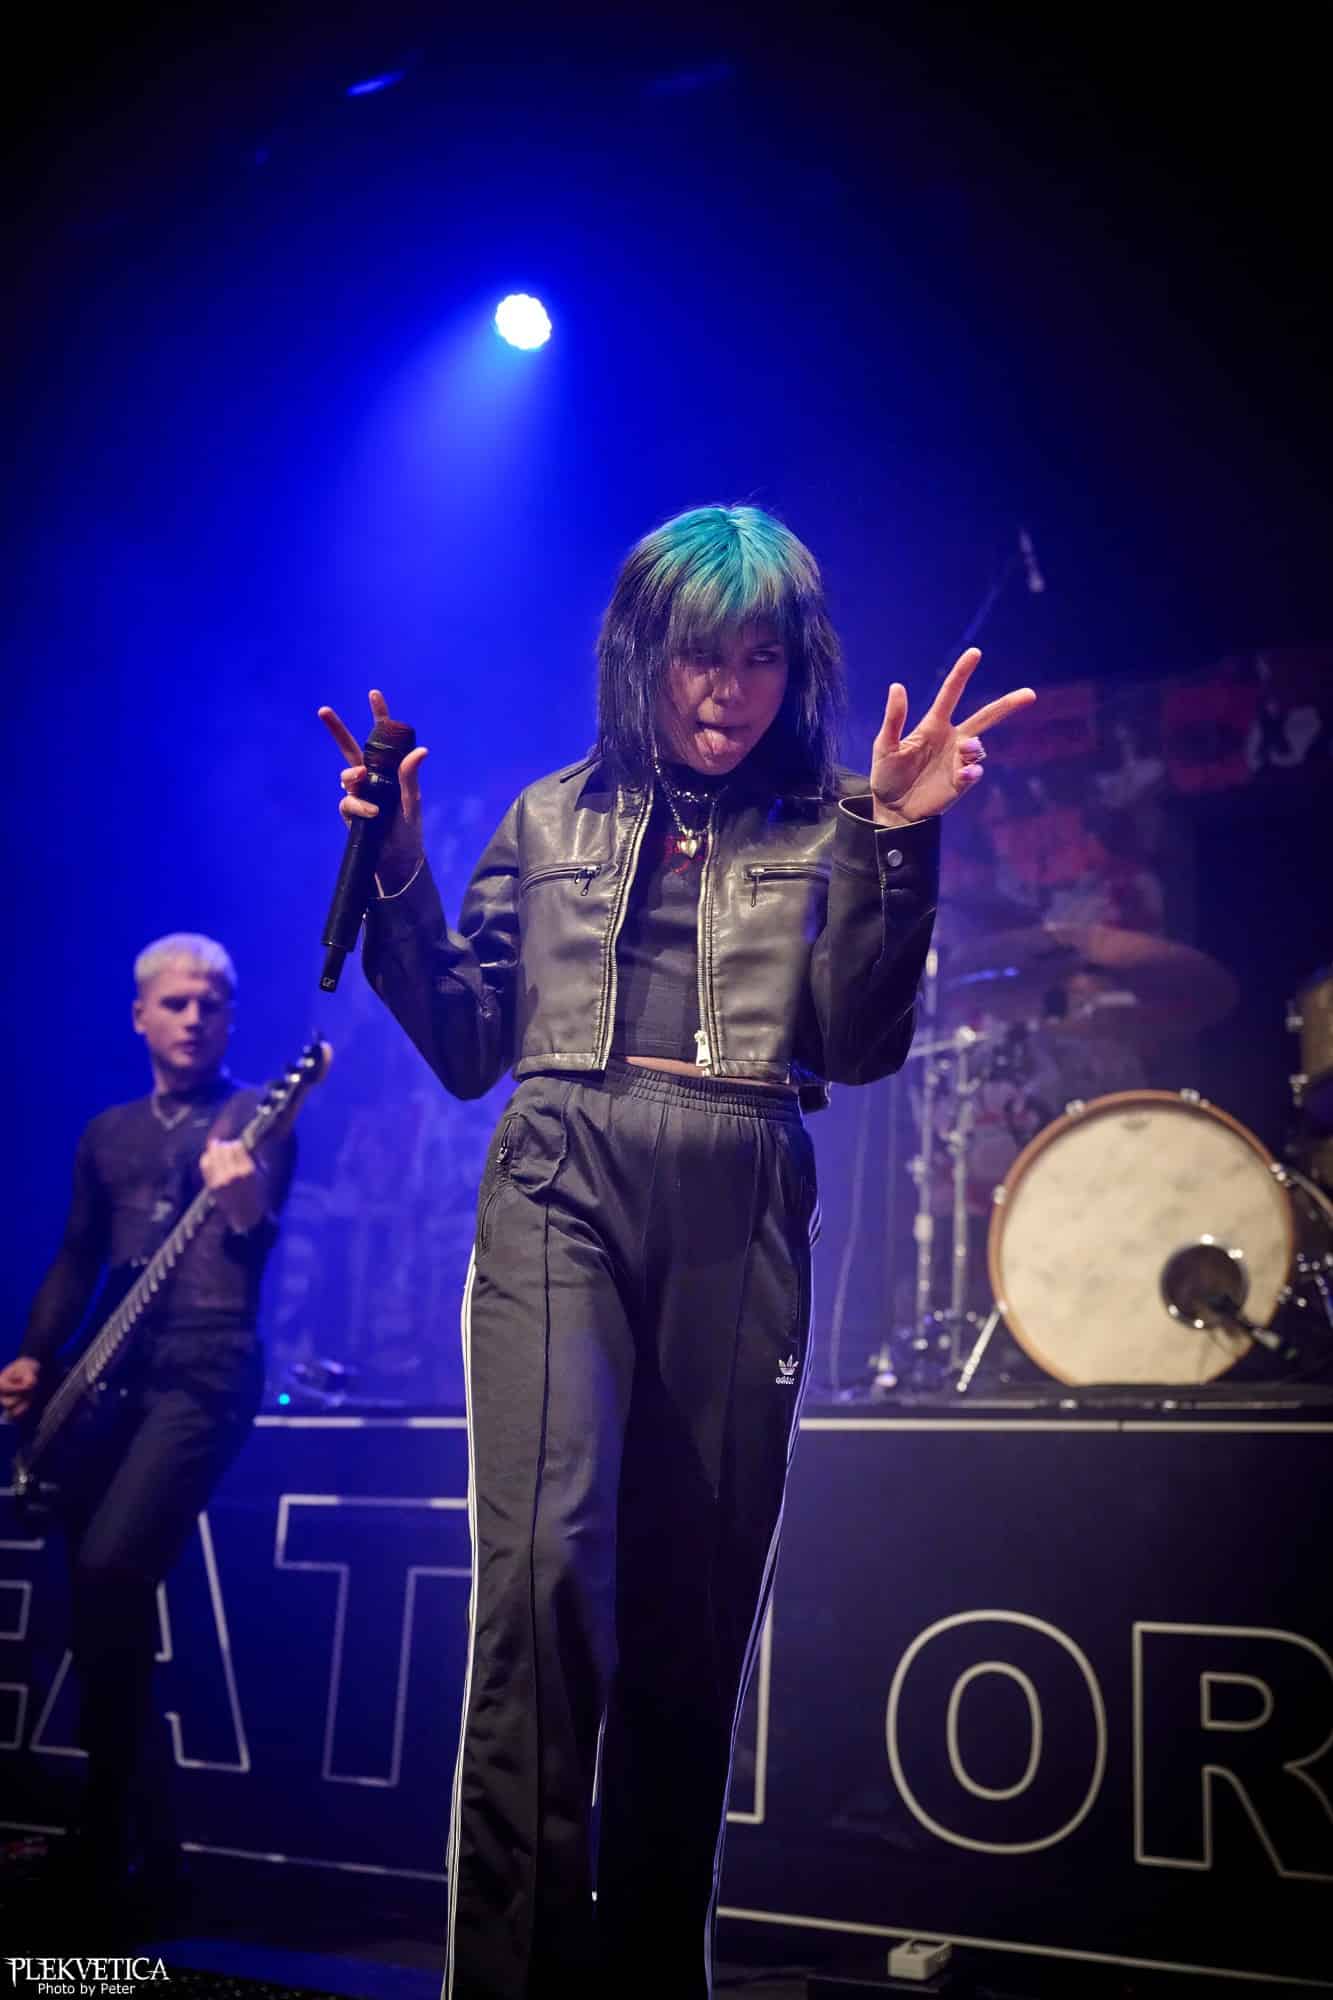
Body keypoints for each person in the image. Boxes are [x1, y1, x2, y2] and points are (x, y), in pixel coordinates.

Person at [318, 504, 1034, 1999]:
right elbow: (465, 1042)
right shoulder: (544, 819)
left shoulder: (836, 820)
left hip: (741, 1180)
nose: (728, 690)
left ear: (796, 669)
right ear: (640, 652)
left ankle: (651, 1979)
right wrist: (395, 871)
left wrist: (900, 841)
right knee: (539, 1574)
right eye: (701, 656)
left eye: (761, 659)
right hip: (562, 1171)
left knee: (690, 1621)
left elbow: (862, 1042)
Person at [0, 934, 294, 1924]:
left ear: (231, 1016)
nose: (194, 1017)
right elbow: (76, 1256)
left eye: (211, 1003)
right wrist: (34, 1356)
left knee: (111, 1570)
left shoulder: (257, 1116)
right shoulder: (107, 1134)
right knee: (95, 1613)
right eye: (175, 1002)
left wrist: (245, 1204)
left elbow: (256, 1242)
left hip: (206, 1373)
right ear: (139, 1015)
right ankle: (135, 1848)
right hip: (105, 1377)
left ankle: (113, 1837)